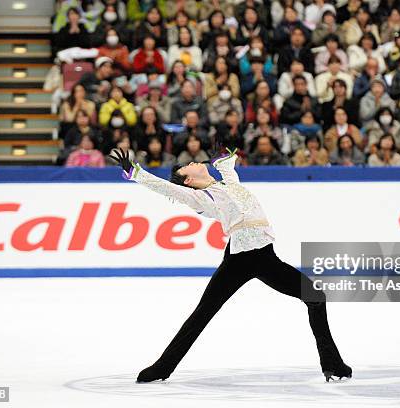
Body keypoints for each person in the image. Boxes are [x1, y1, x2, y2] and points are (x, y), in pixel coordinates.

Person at [109, 147, 351, 382]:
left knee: (315, 296)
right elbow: (166, 188)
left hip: (266, 257)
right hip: (240, 259)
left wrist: (224, 158)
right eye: (187, 166)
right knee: (203, 313)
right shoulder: (199, 197)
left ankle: (333, 364)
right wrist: (137, 174)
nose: (193, 162)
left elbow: (228, 168)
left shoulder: (227, 184)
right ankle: (161, 368)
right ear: (189, 181)